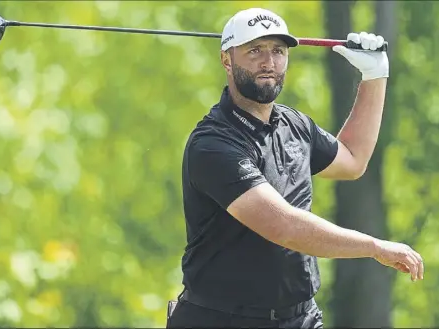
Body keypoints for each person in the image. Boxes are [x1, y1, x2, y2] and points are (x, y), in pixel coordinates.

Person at [167, 7, 424, 329]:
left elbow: (353, 160)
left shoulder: (294, 125)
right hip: (221, 319)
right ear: (227, 60)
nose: (268, 62)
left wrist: (375, 76)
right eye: (254, 50)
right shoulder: (212, 144)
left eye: (278, 51)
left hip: (299, 318)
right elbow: (284, 227)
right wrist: (373, 247)